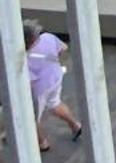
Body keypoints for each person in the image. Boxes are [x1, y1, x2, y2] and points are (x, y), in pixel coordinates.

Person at [24, 19, 82, 149]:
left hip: (38, 89)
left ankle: (42, 143)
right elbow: (63, 49)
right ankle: (75, 125)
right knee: (55, 103)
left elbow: (28, 80)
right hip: (55, 77)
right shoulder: (48, 37)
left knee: (32, 118)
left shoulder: (24, 57)